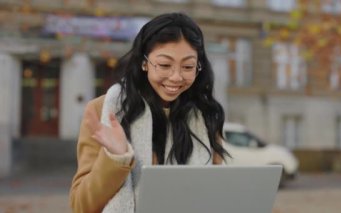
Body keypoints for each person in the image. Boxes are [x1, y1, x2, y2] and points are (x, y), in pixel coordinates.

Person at [69, 12, 230, 213]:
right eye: (164, 65)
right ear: (144, 62)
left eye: (188, 66)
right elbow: (80, 206)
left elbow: (216, 196)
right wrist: (116, 158)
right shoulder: (105, 110)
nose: (176, 77)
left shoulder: (206, 116)